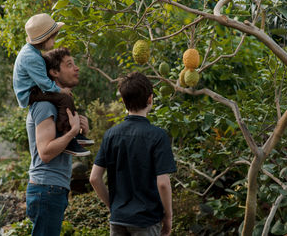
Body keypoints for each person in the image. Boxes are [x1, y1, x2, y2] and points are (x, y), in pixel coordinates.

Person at [89, 72, 177, 236]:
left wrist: (114, 207)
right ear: (150, 99)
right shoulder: (157, 136)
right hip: (146, 221)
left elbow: (94, 178)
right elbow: (163, 183)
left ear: (123, 101)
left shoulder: (110, 135)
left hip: (118, 220)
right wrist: (169, 217)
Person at [25, 47, 89, 235]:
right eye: (69, 65)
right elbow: (45, 152)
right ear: (54, 72)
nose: (76, 68)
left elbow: (65, 147)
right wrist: (72, 133)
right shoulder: (45, 106)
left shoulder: (56, 105)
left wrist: (78, 133)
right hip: (46, 188)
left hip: (52, 188)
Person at [13, 13, 91, 156]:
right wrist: (61, 91)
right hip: (30, 92)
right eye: (53, 38)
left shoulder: (34, 53)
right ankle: (67, 134)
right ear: (45, 38)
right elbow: (45, 84)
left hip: (34, 88)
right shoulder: (31, 57)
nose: (55, 42)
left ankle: (73, 134)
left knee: (65, 98)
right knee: (64, 98)